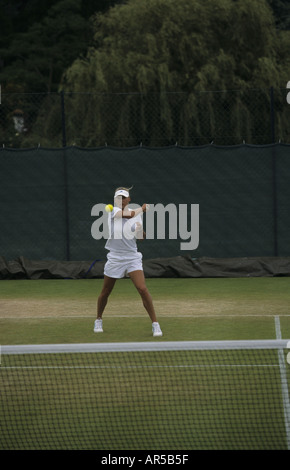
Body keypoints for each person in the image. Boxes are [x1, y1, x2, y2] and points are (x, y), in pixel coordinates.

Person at [94, 187, 163, 337]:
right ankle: (98, 319)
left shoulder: (136, 215)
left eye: (123, 197)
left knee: (142, 289)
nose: (121, 200)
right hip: (115, 257)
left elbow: (141, 238)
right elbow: (129, 214)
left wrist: (140, 230)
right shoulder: (113, 211)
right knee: (105, 292)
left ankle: (155, 324)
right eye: (118, 198)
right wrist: (143, 209)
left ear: (128, 199)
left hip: (132, 257)